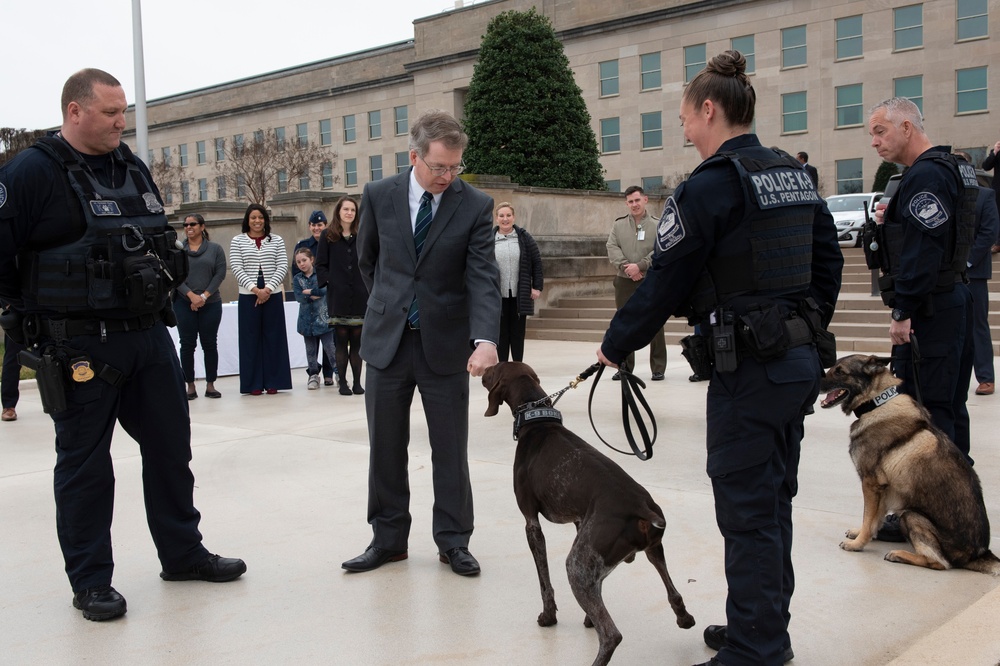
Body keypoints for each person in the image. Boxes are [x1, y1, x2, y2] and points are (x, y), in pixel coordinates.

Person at [596, 51, 842, 666]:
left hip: (750, 372)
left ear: (709, 109)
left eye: (684, 116)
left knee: (748, 511)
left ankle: (758, 648)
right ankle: (758, 624)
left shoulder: (707, 186)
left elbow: (665, 281)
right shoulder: (792, 174)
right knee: (771, 502)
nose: (682, 128)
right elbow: (828, 267)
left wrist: (616, 342)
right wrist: (800, 327)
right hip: (795, 364)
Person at [0, 68, 245, 622]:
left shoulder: (128, 165)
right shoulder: (32, 172)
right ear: (74, 111)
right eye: (111, 113)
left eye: (124, 111)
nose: (121, 122)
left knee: (170, 453)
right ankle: (90, 581)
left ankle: (183, 555)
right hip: (80, 347)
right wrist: (26, 319)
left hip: (148, 338)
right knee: (86, 467)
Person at [342, 109, 500, 577]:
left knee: (450, 448)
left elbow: (483, 276)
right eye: (438, 167)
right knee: (385, 446)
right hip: (388, 343)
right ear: (414, 156)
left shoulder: (474, 204)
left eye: (455, 168)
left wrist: (486, 338)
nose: (448, 177)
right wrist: (392, 306)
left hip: (446, 345)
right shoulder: (377, 195)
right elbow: (368, 260)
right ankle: (388, 540)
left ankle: (453, 541)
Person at [867, 97, 976, 465]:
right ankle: (954, 509)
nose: (875, 141)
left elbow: (924, 251)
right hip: (952, 297)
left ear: (907, 127)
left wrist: (903, 310)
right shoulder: (952, 167)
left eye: (880, 131)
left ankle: (932, 515)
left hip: (932, 307)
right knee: (948, 409)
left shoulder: (927, 174)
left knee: (928, 413)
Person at [229, 203, 293, 396]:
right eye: (253, 217)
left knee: (274, 338)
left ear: (266, 220)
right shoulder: (237, 241)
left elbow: (282, 265)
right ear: (247, 220)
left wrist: (268, 289)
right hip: (249, 294)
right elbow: (236, 267)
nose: (257, 221)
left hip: (271, 293)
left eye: (261, 217)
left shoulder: (277, 240)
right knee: (250, 339)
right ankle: (253, 383)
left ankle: (275, 381)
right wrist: (255, 290)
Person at [606, 185, 667, 381]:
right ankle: (624, 366)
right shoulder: (618, 225)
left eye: (637, 200)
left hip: (649, 281)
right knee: (623, 323)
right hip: (624, 281)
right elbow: (612, 247)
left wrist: (640, 266)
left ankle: (658, 367)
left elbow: (661, 249)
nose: (634, 204)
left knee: (655, 323)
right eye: (630, 201)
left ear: (645, 200)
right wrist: (627, 267)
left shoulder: (658, 225)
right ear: (626, 203)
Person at [954, 151, 1000, 396]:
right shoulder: (948, 195)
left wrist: (968, 261)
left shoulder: (985, 195)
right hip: (947, 275)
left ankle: (985, 377)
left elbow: (990, 232)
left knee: (977, 326)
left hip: (974, 273)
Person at [315, 196, 367, 396]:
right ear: (338, 211)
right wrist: (330, 282)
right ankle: (343, 382)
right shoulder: (328, 235)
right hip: (338, 296)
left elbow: (370, 260)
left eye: (353, 210)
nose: (349, 213)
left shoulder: (361, 234)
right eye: (346, 209)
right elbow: (321, 264)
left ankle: (356, 382)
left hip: (360, 294)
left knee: (356, 340)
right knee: (340, 339)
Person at [172, 213, 227, 400]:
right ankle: (190, 385)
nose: (188, 227)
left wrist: (203, 296)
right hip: (183, 303)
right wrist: (191, 296)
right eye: (185, 224)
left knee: (210, 344)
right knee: (187, 345)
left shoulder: (215, 249)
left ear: (202, 227)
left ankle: (211, 384)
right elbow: (173, 276)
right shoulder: (177, 250)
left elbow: (219, 274)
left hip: (210, 303)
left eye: (193, 224)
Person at [492, 201, 543, 362]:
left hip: (519, 295)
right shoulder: (488, 239)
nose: (505, 219)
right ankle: (502, 367)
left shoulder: (524, 238)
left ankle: (517, 366)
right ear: (496, 218)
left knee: (517, 333)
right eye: (501, 216)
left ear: (513, 218)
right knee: (501, 333)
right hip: (497, 295)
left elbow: (537, 262)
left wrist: (536, 287)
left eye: (508, 215)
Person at [293, 210, 336, 386]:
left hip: (329, 296)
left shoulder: (332, 243)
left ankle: (329, 373)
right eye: (313, 225)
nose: (316, 228)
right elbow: (296, 272)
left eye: (320, 225)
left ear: (325, 225)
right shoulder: (303, 245)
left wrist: (317, 291)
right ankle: (313, 372)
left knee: (329, 340)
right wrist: (308, 292)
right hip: (308, 302)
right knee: (312, 343)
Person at [1, 320, 22, 422]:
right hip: (18, 314)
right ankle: (9, 406)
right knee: (13, 359)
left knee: (50, 358)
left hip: (44, 312)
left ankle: (55, 401)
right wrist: (7, 305)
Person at [982, 141, 1000, 253]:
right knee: (998, 214)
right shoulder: (997, 151)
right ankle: (998, 243)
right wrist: (995, 152)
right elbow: (986, 166)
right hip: (999, 189)